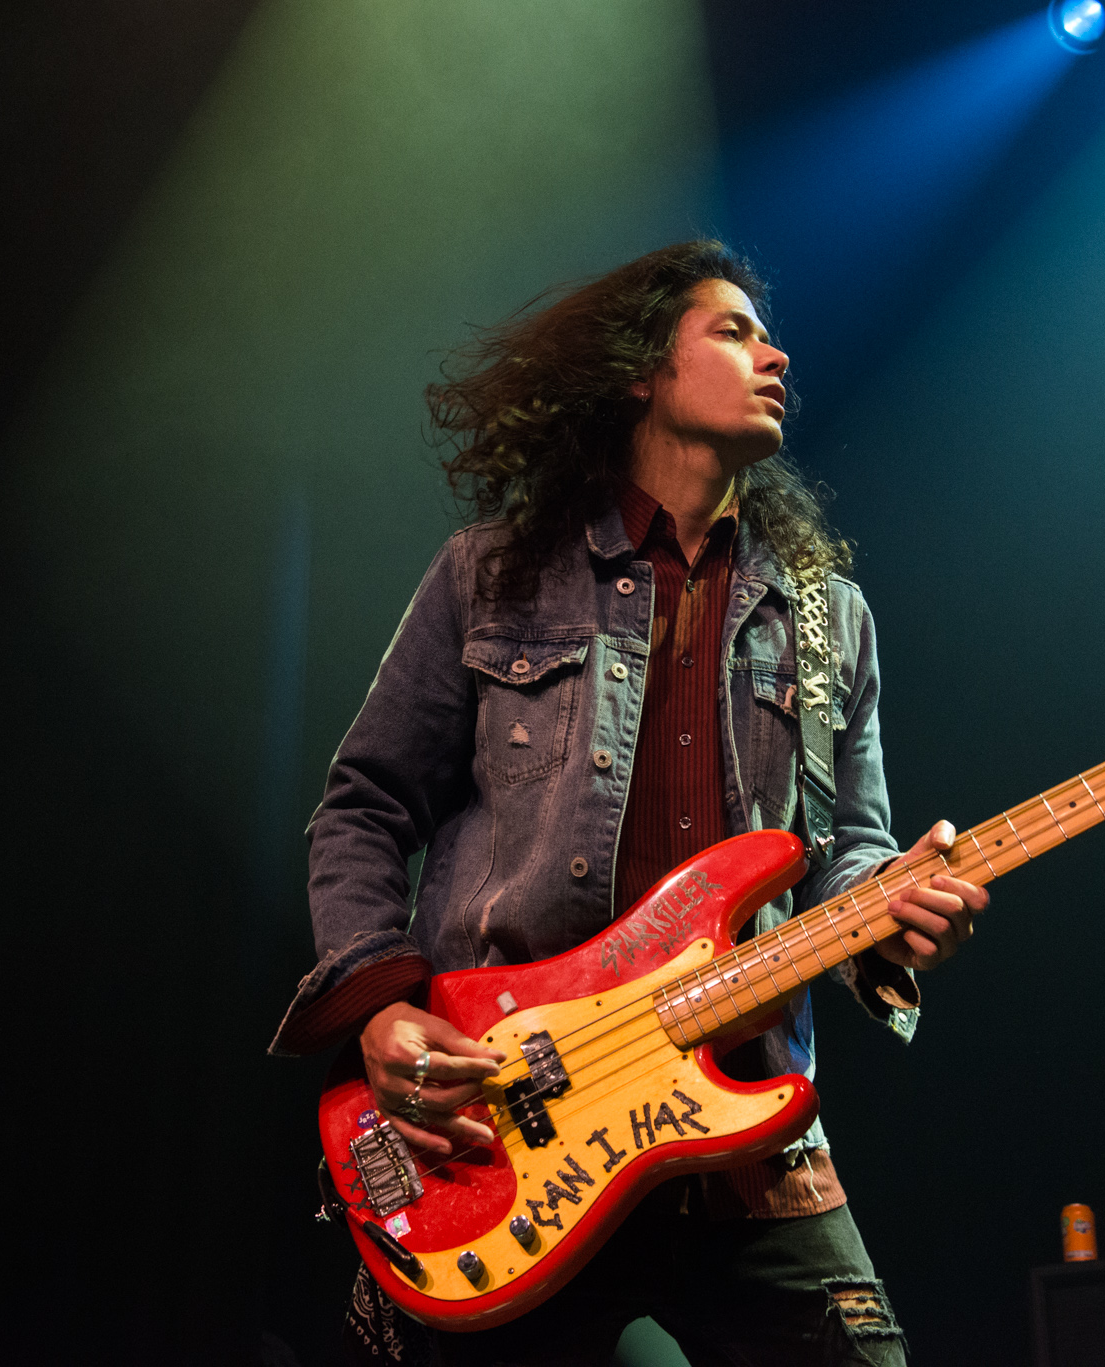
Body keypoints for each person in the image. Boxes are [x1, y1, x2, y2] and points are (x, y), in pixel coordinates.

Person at [271, 240, 988, 1366]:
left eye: (768, 335)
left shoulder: (828, 616)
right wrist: (380, 1006)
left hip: (746, 1132)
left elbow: (845, 844)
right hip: (512, 1118)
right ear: (641, 372)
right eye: (733, 331)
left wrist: (890, 906)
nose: (775, 355)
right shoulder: (492, 574)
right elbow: (364, 804)